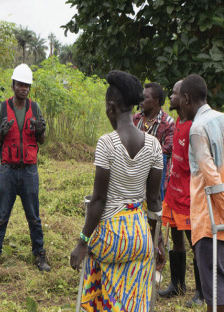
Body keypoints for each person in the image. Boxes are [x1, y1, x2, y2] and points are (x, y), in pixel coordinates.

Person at [70, 70, 165, 311]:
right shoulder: (154, 145)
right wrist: (158, 241)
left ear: (111, 106)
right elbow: (154, 201)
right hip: (141, 235)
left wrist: (82, 242)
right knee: (135, 297)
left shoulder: (107, 143)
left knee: (95, 268)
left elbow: (99, 200)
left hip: (111, 236)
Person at [180, 74, 224, 312]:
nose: (179, 104)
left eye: (180, 99)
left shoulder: (197, 130)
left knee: (212, 281)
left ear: (187, 98)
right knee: (218, 275)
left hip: (209, 217)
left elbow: (212, 179)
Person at [0, 63, 50, 272]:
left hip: (30, 170)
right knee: (1, 215)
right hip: (7, 169)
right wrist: (2, 133)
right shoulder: (2, 108)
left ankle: (40, 255)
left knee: (34, 216)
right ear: (13, 85)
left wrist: (41, 130)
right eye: (20, 84)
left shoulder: (35, 108)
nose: (24, 88)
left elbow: (42, 140)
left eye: (27, 85)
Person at [158, 80, 205, 307]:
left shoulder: (196, 126)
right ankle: (177, 284)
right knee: (176, 240)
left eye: (174, 93)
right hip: (173, 193)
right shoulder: (178, 121)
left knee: (195, 243)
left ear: (185, 97)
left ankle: (201, 292)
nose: (171, 97)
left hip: (189, 196)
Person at [133, 82, 175, 200]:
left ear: (155, 101)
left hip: (157, 179)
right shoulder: (136, 119)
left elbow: (168, 149)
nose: (141, 100)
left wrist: (142, 150)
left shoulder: (167, 123)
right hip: (136, 175)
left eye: (145, 98)